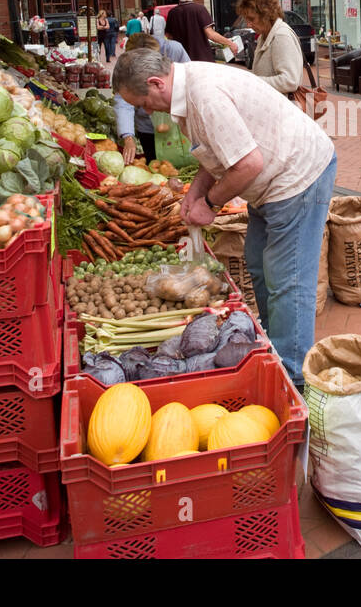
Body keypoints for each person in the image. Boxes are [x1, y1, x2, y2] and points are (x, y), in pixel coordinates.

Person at [112, 49, 337, 384]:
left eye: (143, 102)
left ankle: (293, 378)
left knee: (287, 280)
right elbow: (216, 150)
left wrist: (211, 204)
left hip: (298, 176)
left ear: (156, 83)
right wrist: (195, 193)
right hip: (271, 181)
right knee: (259, 264)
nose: (146, 111)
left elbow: (248, 164)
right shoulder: (185, 92)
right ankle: (272, 347)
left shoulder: (204, 96)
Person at [113, 32, 189, 164]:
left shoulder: (174, 50)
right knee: (155, 164)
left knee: (185, 159)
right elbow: (123, 102)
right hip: (147, 126)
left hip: (178, 121)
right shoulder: (125, 67)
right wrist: (128, 136)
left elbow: (188, 80)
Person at [235, 0, 303, 95]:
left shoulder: (281, 36)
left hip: (283, 109)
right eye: (246, 19)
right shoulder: (265, 35)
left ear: (266, 14)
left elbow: (290, 81)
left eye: (252, 19)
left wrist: (252, 81)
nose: (248, 24)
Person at [165, 0, 239, 63]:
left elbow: (169, 37)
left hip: (181, 62)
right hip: (202, 60)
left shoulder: (172, 13)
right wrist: (230, 43)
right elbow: (210, 34)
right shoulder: (199, 9)